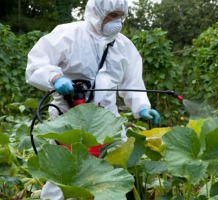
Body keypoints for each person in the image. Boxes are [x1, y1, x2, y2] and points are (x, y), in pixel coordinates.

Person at [26, 0, 160, 199]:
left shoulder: (123, 45)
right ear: (97, 13)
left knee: (111, 176)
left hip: (107, 120)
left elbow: (132, 81)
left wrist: (141, 107)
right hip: (70, 119)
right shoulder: (68, 35)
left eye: (120, 17)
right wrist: (55, 78)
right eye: (112, 16)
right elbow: (36, 64)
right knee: (67, 175)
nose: (117, 22)